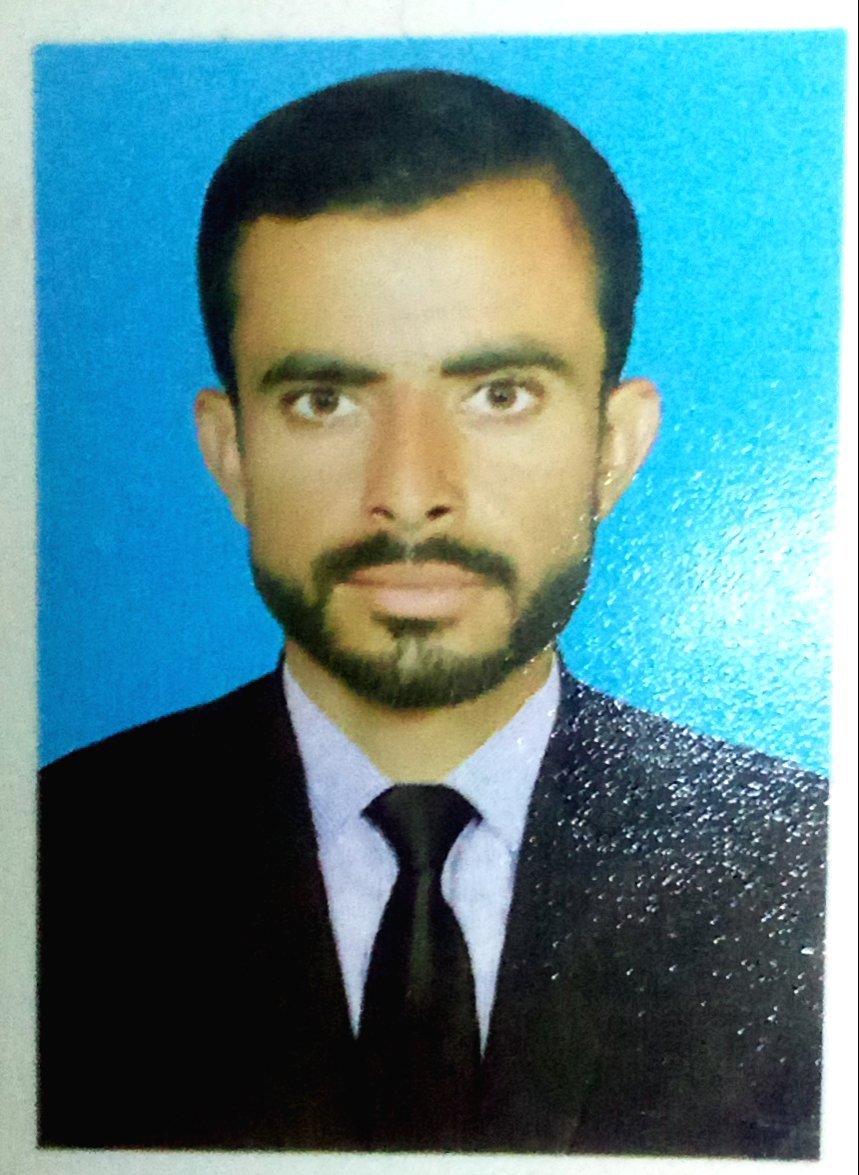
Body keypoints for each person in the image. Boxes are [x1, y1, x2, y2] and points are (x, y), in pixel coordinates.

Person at [38, 69, 826, 1158]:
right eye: (325, 399)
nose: (409, 492)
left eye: (499, 393)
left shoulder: (812, 871)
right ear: (231, 451)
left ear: (613, 447)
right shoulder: (46, 862)